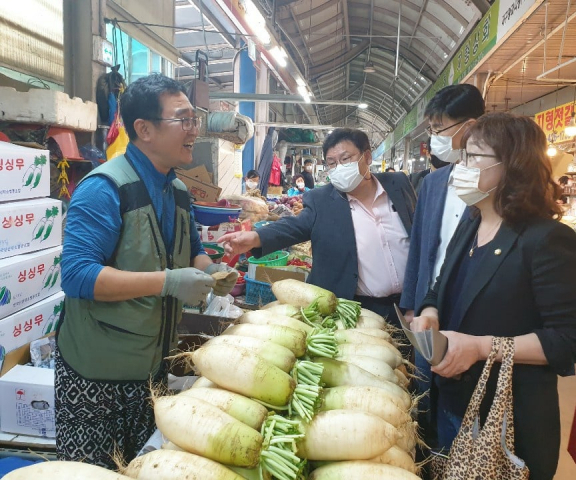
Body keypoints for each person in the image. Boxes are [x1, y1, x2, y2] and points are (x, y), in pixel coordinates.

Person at [56, 74, 239, 468]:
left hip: (152, 371)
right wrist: (169, 282)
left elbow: (192, 251)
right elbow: (76, 276)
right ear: (144, 130)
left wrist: (214, 272)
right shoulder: (103, 189)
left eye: (195, 119)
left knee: (144, 468)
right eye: (183, 119)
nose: (194, 130)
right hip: (97, 377)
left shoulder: (177, 191)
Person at [410, 113, 576, 480]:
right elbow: (439, 285)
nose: (462, 168)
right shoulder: (472, 220)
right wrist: (429, 311)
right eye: (463, 157)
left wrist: (481, 348)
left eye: (474, 157)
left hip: (504, 418)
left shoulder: (545, 240)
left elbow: (572, 340)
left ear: (512, 166)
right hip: (452, 401)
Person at [218, 128, 416, 327]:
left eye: (346, 159)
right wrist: (255, 238)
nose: (339, 167)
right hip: (355, 310)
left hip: (409, 306)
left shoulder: (398, 184)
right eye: (332, 163)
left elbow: (422, 234)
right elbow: (294, 226)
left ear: (367, 156)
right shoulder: (321, 200)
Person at [399, 84, 485, 446]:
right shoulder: (434, 182)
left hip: (469, 313)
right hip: (427, 309)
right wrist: (410, 302)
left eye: (439, 130)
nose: (433, 139)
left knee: (460, 405)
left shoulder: (493, 185)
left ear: (469, 127)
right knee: (424, 392)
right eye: (431, 130)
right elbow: (419, 246)